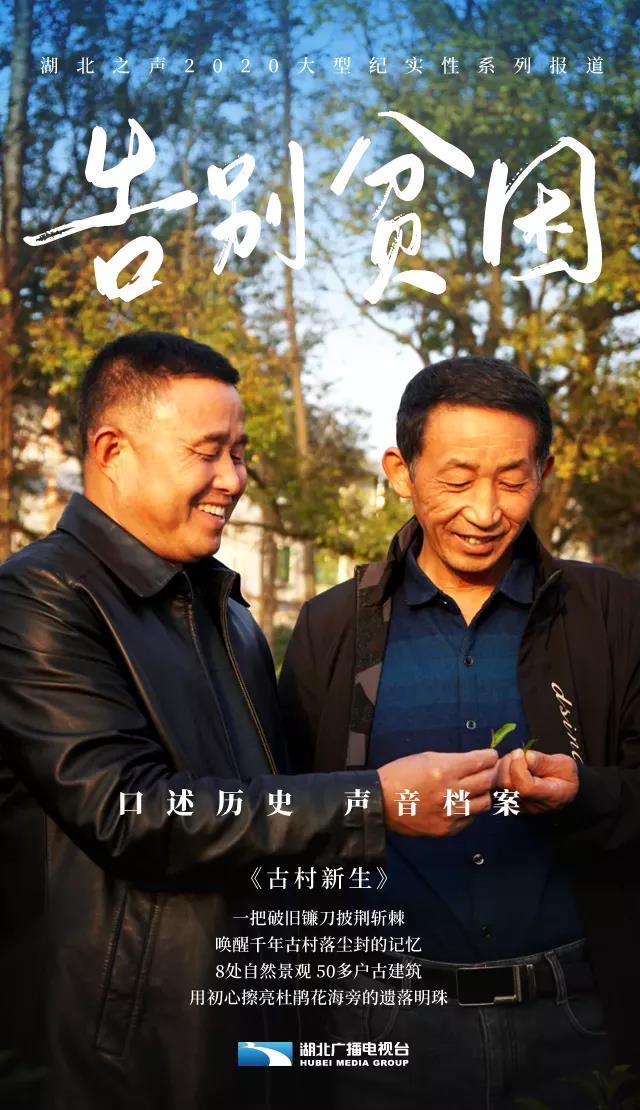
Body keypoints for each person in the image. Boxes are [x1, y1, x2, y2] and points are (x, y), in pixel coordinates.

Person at [0, 333, 488, 1110]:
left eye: (239, 452)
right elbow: (132, 811)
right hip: (128, 1061)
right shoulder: (38, 600)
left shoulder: (228, 613)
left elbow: (271, 807)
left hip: (257, 1037)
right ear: (112, 450)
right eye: (208, 452)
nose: (233, 479)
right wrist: (375, 801)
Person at [279, 356, 640, 1110]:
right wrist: (377, 803)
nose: (485, 511)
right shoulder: (332, 628)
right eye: (457, 478)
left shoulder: (613, 614)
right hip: (384, 1026)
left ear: (543, 472)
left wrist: (587, 793)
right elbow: (285, 815)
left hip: (578, 1019)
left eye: (512, 480)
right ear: (400, 472)